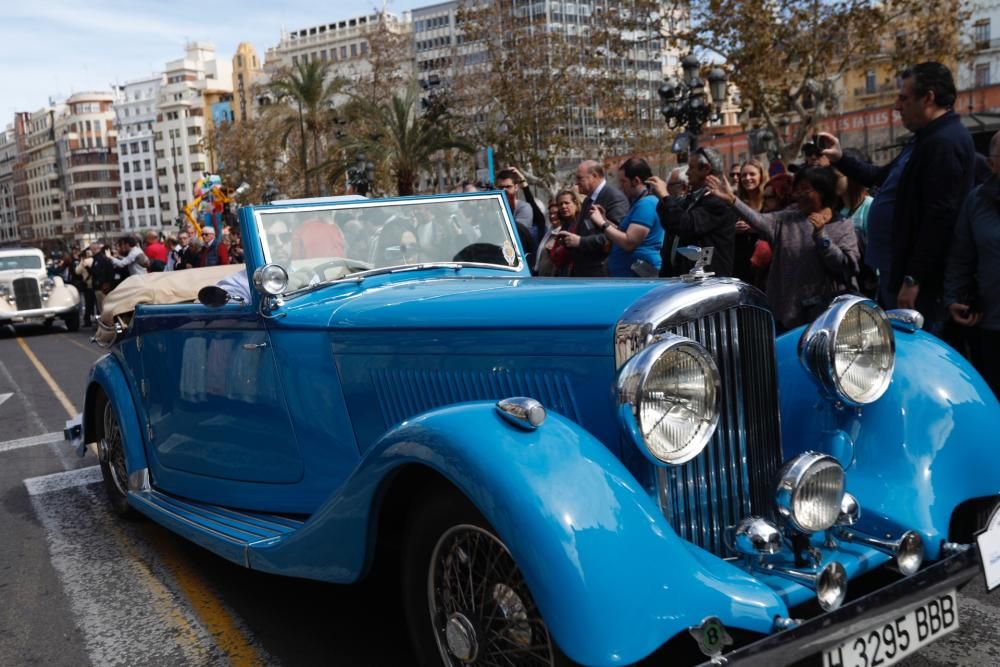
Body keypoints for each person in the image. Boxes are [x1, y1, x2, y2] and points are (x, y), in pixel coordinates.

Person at [819, 62, 976, 334]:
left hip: (920, 286)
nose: (896, 106)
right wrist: (840, 159)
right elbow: (880, 177)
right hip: (899, 274)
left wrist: (913, 278)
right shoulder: (924, 140)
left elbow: (939, 219)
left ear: (928, 98)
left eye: (904, 97)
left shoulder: (945, 143)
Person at [707, 166, 860, 331]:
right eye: (798, 190)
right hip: (787, 315)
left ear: (823, 192)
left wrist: (822, 237)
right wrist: (732, 199)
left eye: (806, 190)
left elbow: (846, 266)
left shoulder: (842, 226)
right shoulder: (786, 220)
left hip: (828, 318)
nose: (799, 195)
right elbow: (758, 220)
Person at [944, 130, 1000, 397]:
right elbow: (961, 257)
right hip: (993, 325)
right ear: (992, 163)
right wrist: (954, 296)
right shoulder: (976, 201)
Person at [648, 146, 736, 277]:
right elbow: (673, 225)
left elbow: (686, 225)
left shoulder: (718, 202)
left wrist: (665, 196)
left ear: (705, 168)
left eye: (692, 168)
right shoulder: (692, 199)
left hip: (706, 283)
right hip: (680, 278)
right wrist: (663, 200)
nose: (687, 173)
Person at [589, 157, 663, 277]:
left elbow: (629, 242)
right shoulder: (638, 203)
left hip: (638, 278)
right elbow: (623, 233)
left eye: (623, 182)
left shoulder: (647, 204)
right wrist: (604, 220)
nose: (620, 186)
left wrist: (603, 224)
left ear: (636, 181)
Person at [560, 160, 630, 277]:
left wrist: (580, 242)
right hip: (584, 270)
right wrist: (569, 240)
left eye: (580, 178)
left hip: (600, 271)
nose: (577, 183)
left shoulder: (614, 198)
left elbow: (615, 236)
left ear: (594, 176)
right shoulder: (588, 199)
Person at [733, 159, 769, 284]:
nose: (747, 178)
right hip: (741, 264)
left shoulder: (769, 201)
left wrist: (754, 227)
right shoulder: (735, 202)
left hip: (766, 265)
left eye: (752, 174)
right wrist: (733, 229)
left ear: (761, 176)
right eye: (743, 175)